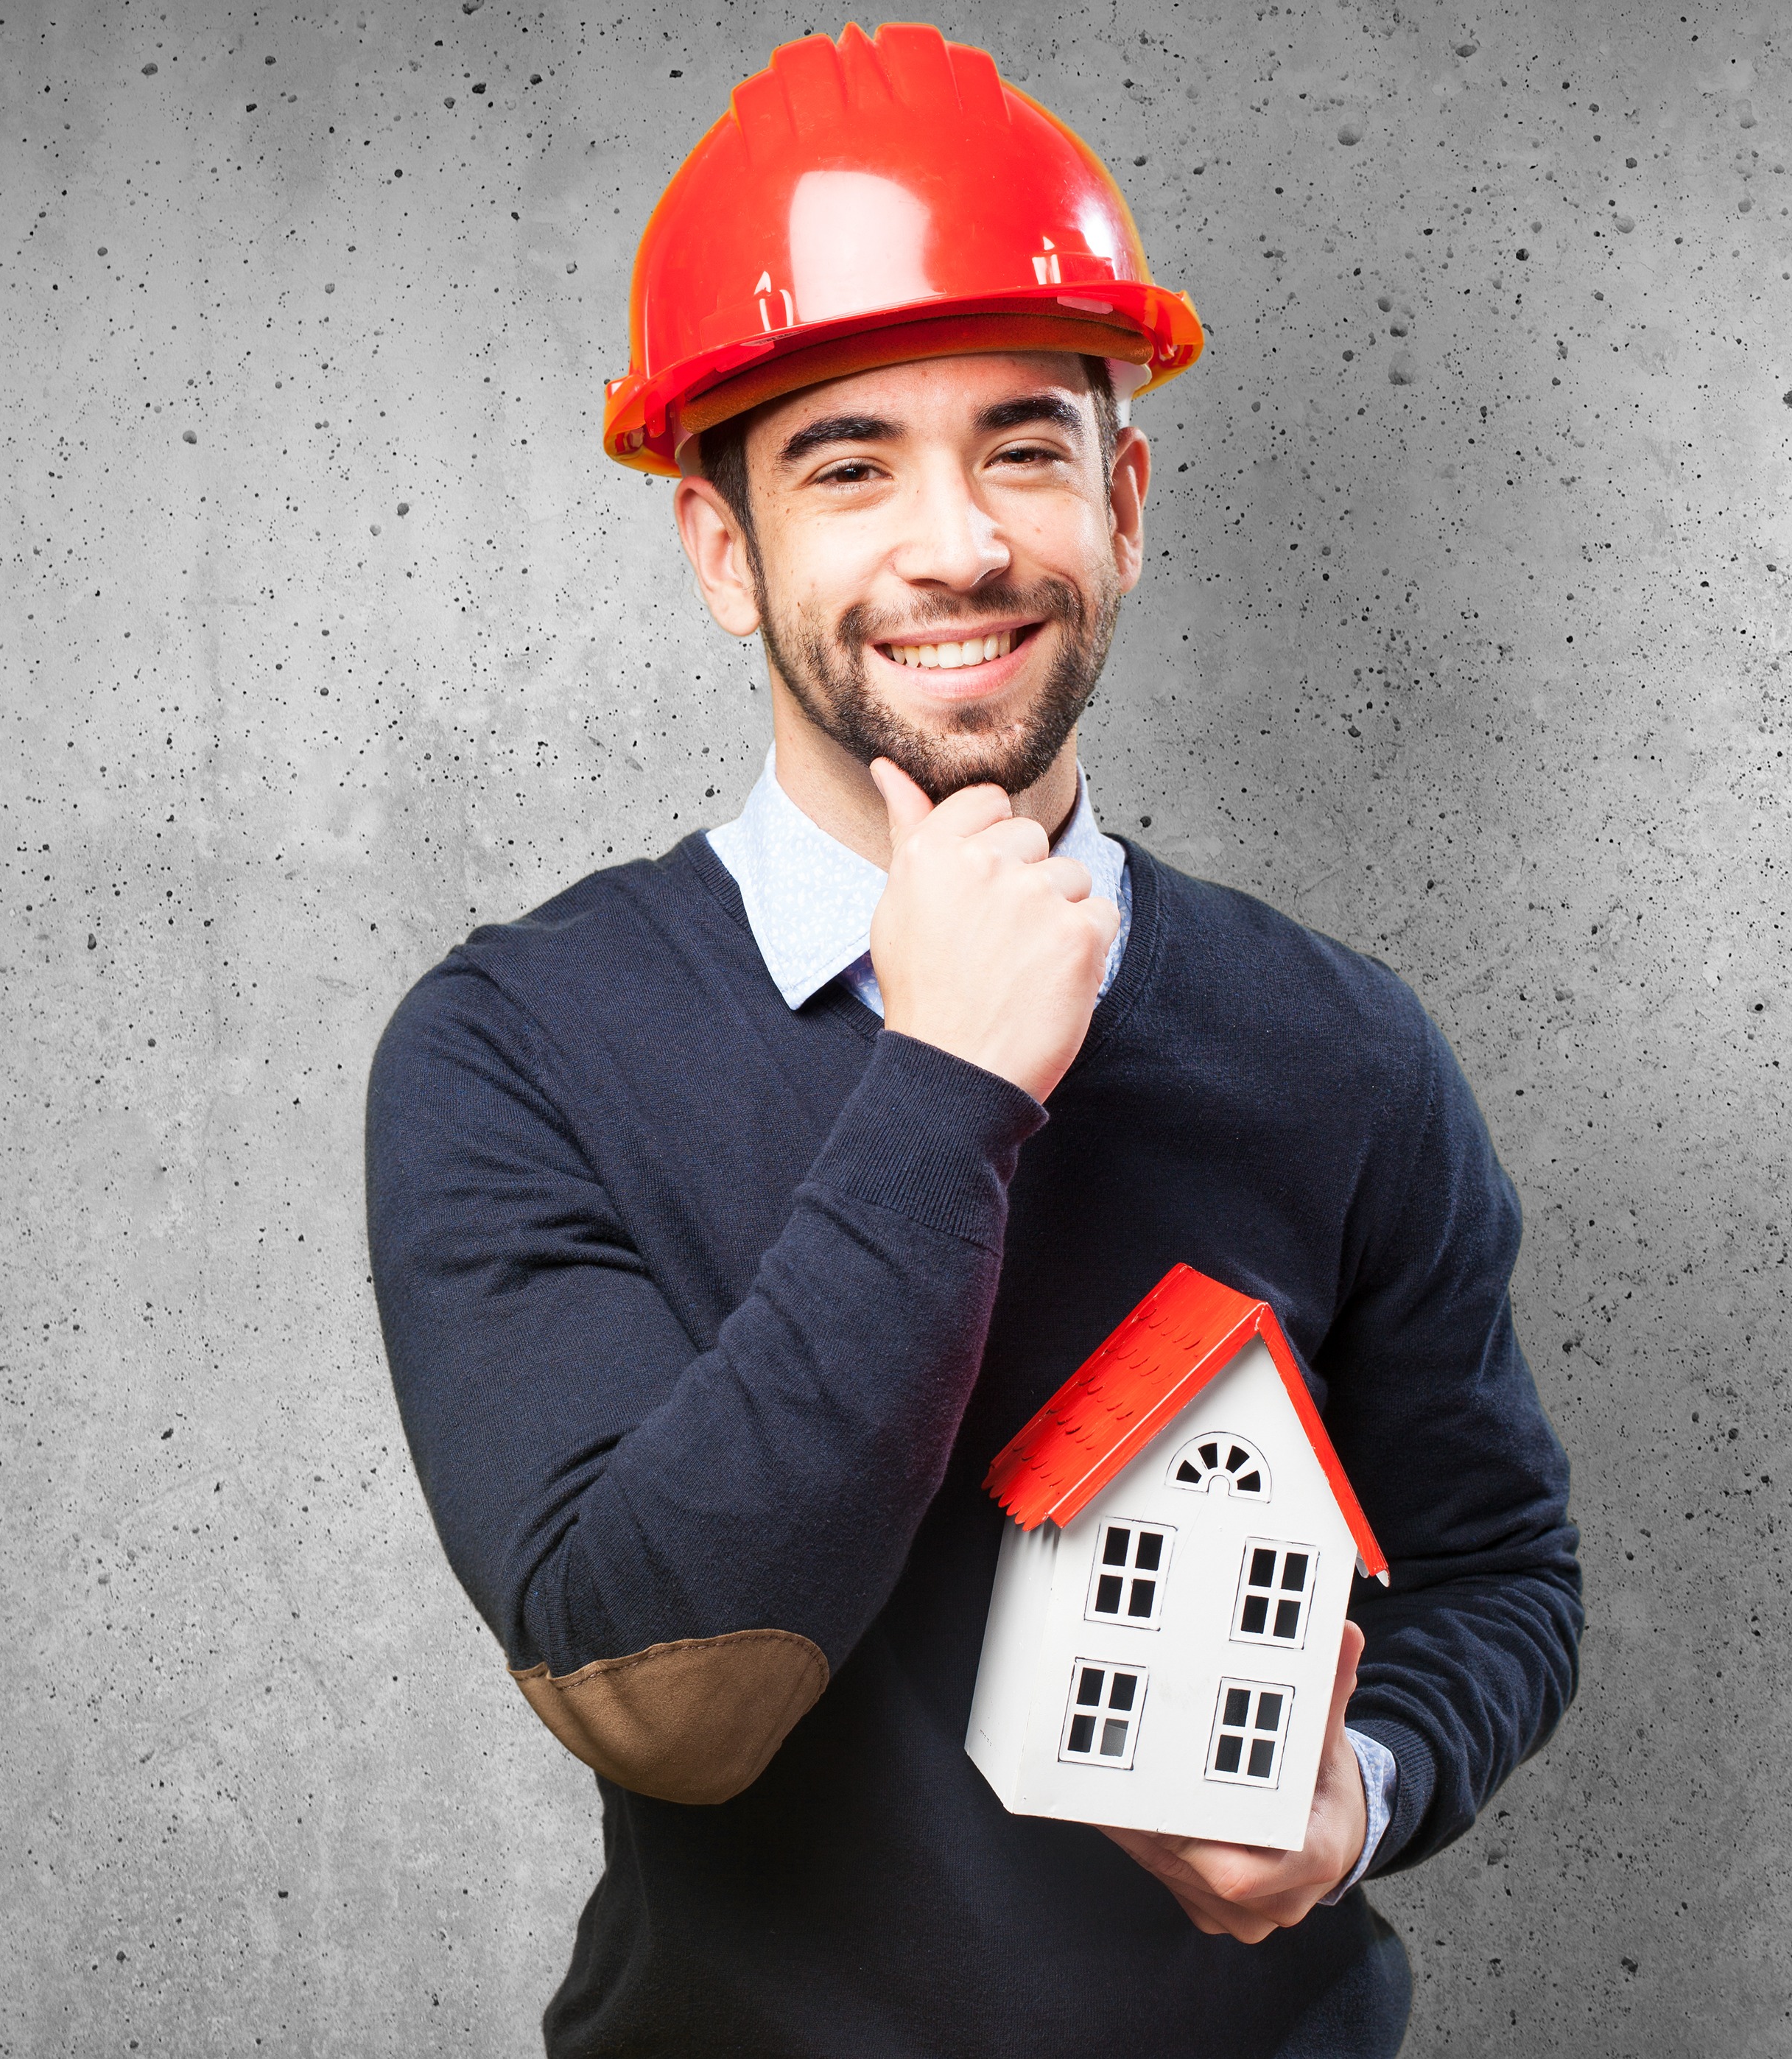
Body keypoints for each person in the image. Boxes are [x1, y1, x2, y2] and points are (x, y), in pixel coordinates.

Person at [362, 24, 1582, 2056]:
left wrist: (1370, 1787)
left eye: (1023, 443)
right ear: (722, 546)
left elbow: (1497, 1566)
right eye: (846, 463)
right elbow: (659, 1689)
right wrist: (950, 1083)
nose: (956, 544)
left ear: (1120, 497)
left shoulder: (1343, 1049)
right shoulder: (516, 1050)